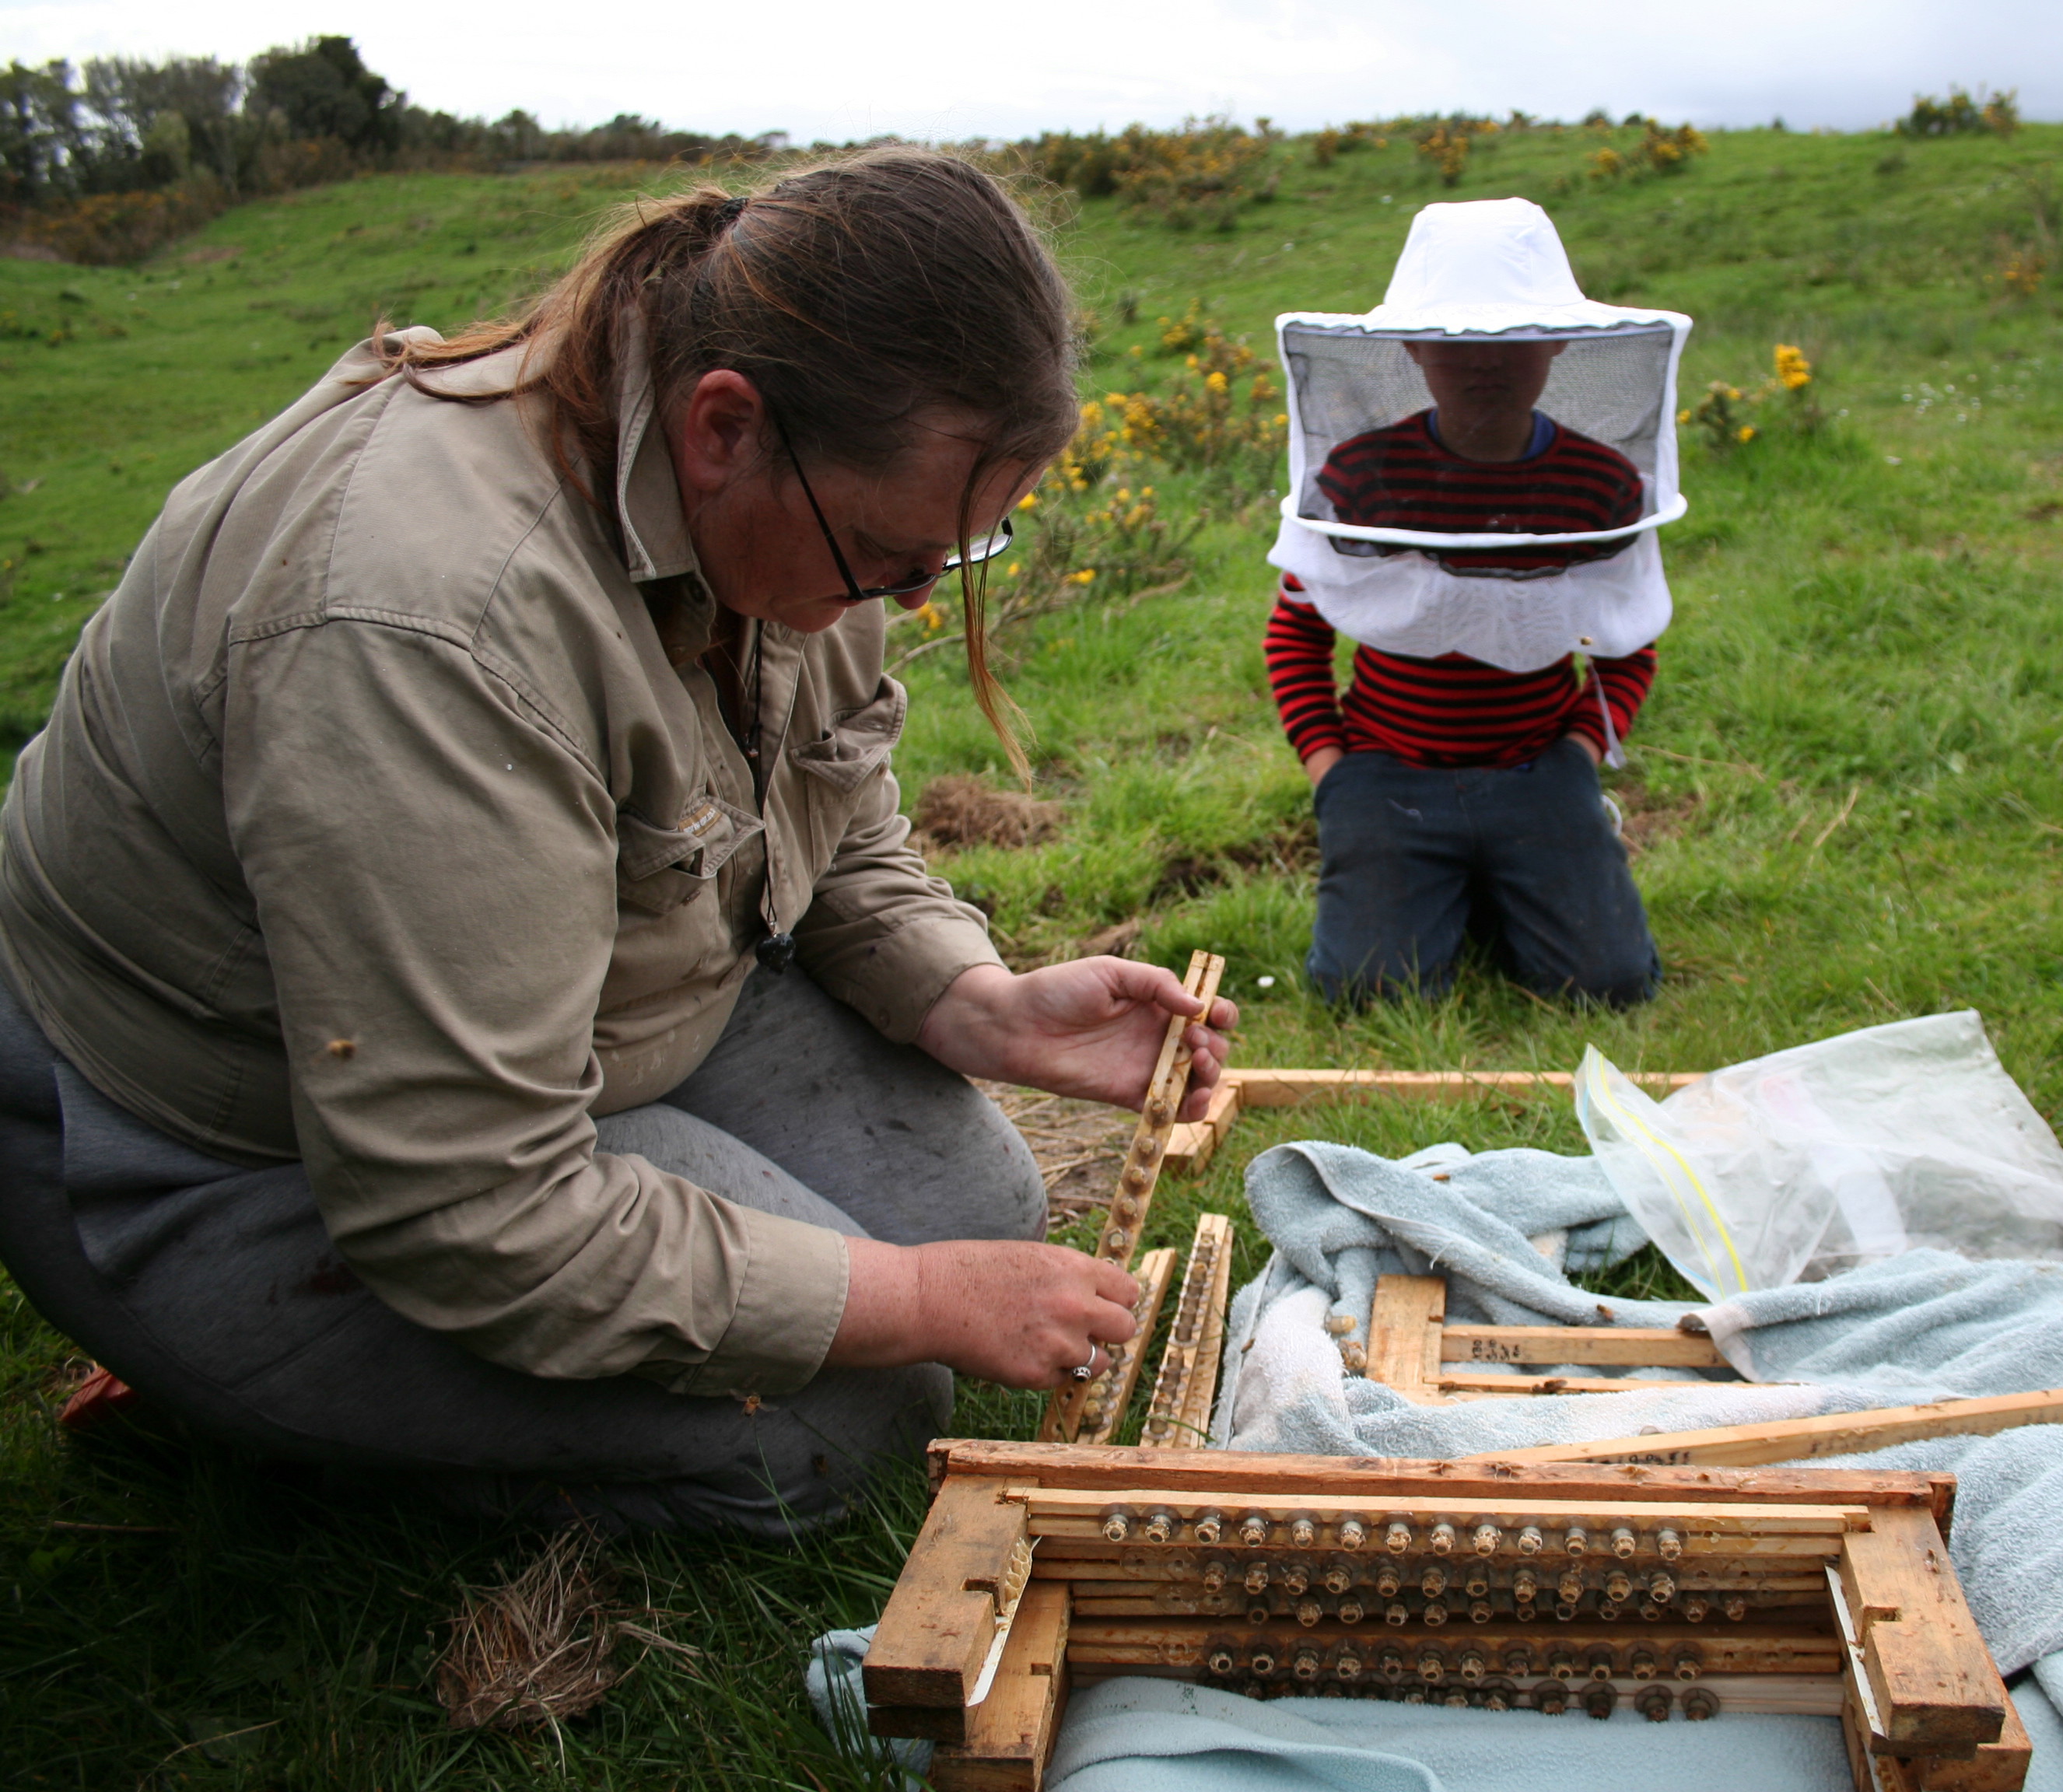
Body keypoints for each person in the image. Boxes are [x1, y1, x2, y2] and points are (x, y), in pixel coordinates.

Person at [0, 146, 1233, 1536]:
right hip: (220, 1132)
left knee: (984, 1202)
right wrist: (920, 1301)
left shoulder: (800, 484)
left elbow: (826, 821)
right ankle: (233, 1395)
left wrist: (978, 1000)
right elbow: (465, 1200)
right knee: (841, 1422)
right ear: (724, 426)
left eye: (944, 560)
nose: (903, 595)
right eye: (892, 556)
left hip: (573, 1029)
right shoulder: (427, 626)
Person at [1266, 334, 1662, 1006]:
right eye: (1458, 346)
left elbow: (1627, 643)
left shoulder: (1600, 481)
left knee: (1609, 986)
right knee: (1368, 991)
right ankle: (1466, 882)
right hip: (1387, 770)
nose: (1485, 365)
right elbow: (1296, 635)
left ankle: (1502, 873)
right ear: (1416, 349)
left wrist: (1579, 754)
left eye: (1511, 345)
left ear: (1558, 343)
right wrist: (1333, 773)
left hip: (1538, 766)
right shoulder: (1361, 473)